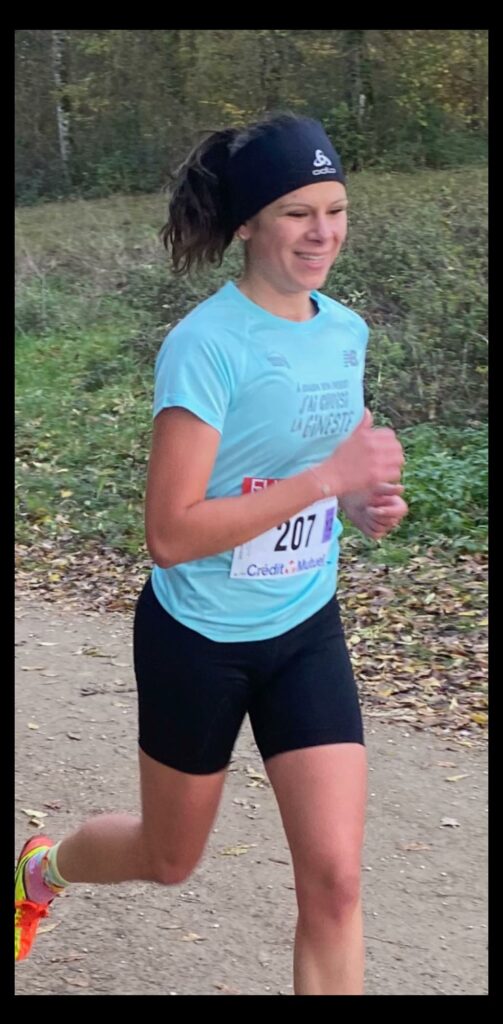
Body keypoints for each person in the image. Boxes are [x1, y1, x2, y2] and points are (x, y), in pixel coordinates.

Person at [15, 112, 407, 994]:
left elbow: (328, 464)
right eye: (297, 212)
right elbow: (170, 532)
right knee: (168, 858)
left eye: (335, 210)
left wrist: (359, 499)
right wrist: (323, 481)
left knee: (336, 883)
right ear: (246, 225)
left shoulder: (343, 331)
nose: (322, 232)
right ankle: (42, 870)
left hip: (303, 628)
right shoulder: (206, 345)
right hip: (199, 639)